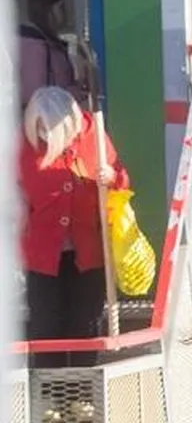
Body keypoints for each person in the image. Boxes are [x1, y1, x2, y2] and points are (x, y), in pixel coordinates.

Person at [18, 85, 127, 343]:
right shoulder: (24, 147)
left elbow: (121, 181)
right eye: (41, 131)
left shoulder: (94, 137)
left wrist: (112, 178)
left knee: (85, 327)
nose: (47, 138)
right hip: (43, 256)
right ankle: (48, 385)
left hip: (88, 253)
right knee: (45, 329)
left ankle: (84, 384)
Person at [17, 0, 93, 105]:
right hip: (43, 120)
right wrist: (76, 92)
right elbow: (35, 96)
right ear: (47, 10)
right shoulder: (34, 47)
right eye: (61, 8)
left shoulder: (51, 45)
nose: (66, 14)